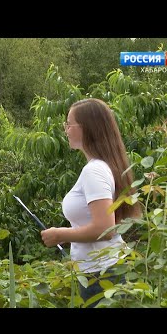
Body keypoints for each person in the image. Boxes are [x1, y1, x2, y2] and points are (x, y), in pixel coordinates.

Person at [40, 98, 140, 307]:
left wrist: (60, 234)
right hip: (102, 270)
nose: (65, 130)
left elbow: (105, 228)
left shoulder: (94, 171)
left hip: (102, 274)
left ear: (87, 128)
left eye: (69, 124)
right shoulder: (103, 166)